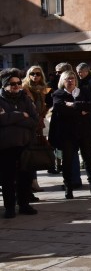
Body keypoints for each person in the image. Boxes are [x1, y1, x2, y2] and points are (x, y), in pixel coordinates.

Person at [49, 70, 91, 200]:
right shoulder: (58, 94)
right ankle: (68, 188)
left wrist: (74, 104)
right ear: (62, 81)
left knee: (88, 159)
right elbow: (60, 109)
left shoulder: (83, 91)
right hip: (67, 133)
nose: (70, 81)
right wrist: (81, 110)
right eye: (67, 79)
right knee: (67, 161)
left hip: (84, 132)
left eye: (72, 78)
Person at [0, 69, 39, 218]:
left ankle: (24, 205)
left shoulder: (25, 99)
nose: (16, 86)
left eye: (18, 83)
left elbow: (34, 121)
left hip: (25, 144)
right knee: (8, 178)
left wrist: (10, 118)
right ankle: (9, 207)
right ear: (5, 85)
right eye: (12, 84)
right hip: (6, 145)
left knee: (25, 176)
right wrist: (21, 115)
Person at [22, 65, 53, 189]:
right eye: (32, 74)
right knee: (28, 152)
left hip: (39, 123)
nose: (35, 76)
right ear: (28, 75)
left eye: (38, 74)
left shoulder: (44, 89)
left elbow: (47, 105)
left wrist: (44, 115)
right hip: (28, 123)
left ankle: (33, 181)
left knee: (35, 151)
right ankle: (30, 182)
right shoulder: (24, 88)